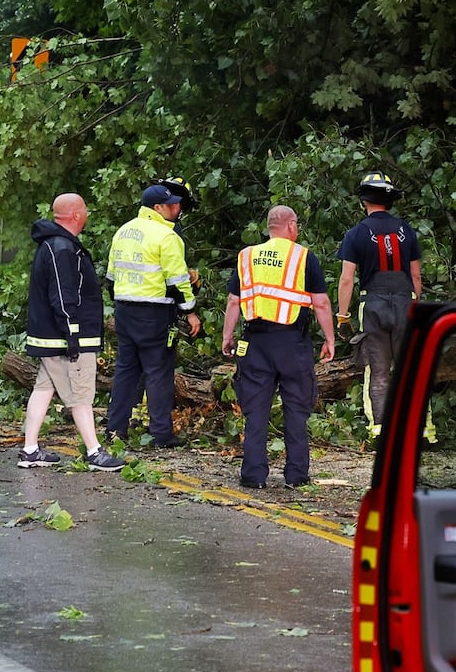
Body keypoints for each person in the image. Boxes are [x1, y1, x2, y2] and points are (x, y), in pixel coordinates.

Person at [222, 205, 336, 488]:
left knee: (255, 410)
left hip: (255, 341)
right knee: (296, 409)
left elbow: (234, 301)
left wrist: (227, 336)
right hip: (291, 343)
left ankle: (253, 476)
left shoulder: (246, 256)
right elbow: (320, 302)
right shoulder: (303, 257)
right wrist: (330, 339)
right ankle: (296, 476)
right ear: (291, 226)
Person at [19, 193, 124, 472]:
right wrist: (72, 334)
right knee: (81, 394)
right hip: (65, 338)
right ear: (76, 214)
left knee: (44, 388)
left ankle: (30, 449)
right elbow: (64, 296)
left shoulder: (56, 245)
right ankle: (94, 452)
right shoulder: (62, 248)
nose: (87, 214)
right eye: (85, 210)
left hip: (53, 336)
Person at [104, 185, 202, 447]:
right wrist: (190, 312)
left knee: (126, 371)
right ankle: (161, 433)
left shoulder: (123, 231)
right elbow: (178, 281)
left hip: (124, 310)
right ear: (157, 208)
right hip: (154, 312)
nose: (177, 209)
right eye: (172, 205)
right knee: (159, 371)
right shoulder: (166, 236)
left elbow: (111, 279)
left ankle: (116, 430)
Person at [335, 171, 424, 437]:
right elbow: (416, 275)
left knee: (378, 368)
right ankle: (420, 430)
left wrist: (342, 315)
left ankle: (380, 430)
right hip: (405, 303)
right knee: (410, 368)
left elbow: (347, 279)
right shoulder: (406, 230)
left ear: (364, 200)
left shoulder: (356, 234)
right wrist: (416, 303)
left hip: (373, 304)